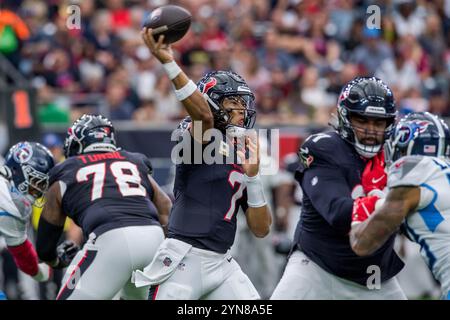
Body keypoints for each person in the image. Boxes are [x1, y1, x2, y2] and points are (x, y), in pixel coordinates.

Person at [133, 29, 272, 300]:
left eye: (244, 104)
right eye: (234, 102)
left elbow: (261, 229)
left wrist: (253, 179)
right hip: (184, 256)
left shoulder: (241, 151)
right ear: (212, 103)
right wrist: (169, 62)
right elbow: (204, 118)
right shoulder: (197, 134)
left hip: (222, 263)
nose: (243, 111)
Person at [271, 76, 406, 300]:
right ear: (345, 117)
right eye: (362, 120)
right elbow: (338, 212)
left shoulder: (397, 158)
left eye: (378, 122)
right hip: (317, 268)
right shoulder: (324, 149)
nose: (371, 130)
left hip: (372, 276)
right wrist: (392, 204)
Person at [36, 114, 172, 300]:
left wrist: (54, 259)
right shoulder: (132, 160)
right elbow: (165, 206)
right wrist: (166, 248)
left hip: (110, 238)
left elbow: (45, 243)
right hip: (153, 237)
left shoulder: (66, 170)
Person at [349, 112, 450, 300]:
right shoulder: (440, 174)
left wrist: (359, 218)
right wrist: (384, 201)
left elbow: (362, 244)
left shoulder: (413, 166)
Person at [0, 142, 55, 290]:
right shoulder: (14, 205)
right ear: (16, 170)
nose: (38, 189)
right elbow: (24, 256)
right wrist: (40, 273)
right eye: (35, 181)